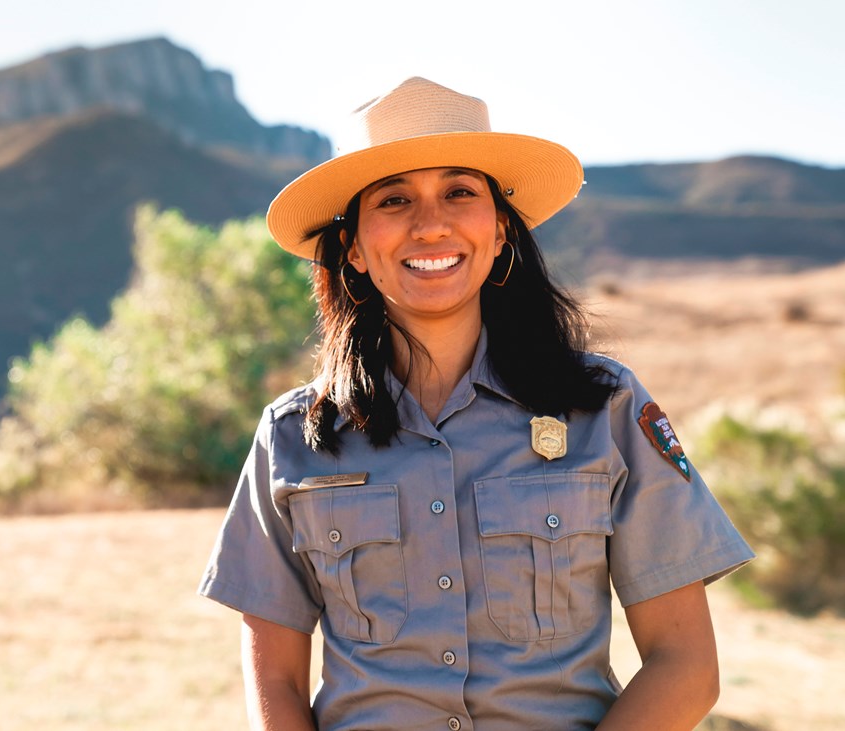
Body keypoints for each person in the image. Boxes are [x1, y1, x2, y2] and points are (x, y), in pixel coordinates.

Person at [197, 77, 754, 731]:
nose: (430, 222)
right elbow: (276, 684)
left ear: (498, 233)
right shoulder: (292, 438)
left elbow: (685, 662)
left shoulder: (605, 409)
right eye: (394, 198)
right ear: (353, 245)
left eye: (460, 191)